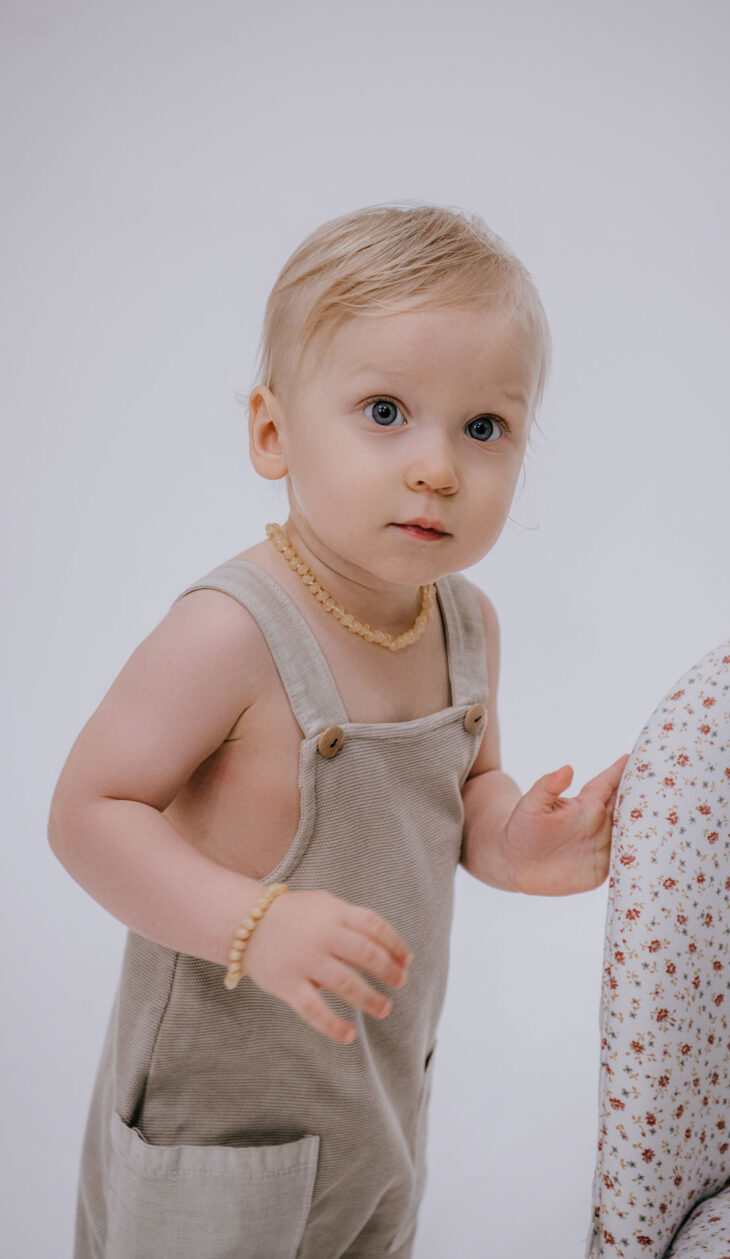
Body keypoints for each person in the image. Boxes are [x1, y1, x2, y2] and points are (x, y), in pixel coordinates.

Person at [48, 202, 630, 1259]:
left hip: (373, 1092)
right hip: (216, 1111)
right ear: (273, 433)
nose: (438, 467)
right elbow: (87, 812)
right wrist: (251, 922)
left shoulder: (465, 622)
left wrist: (514, 841)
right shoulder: (228, 630)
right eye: (384, 410)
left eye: (484, 427)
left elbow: (467, 789)